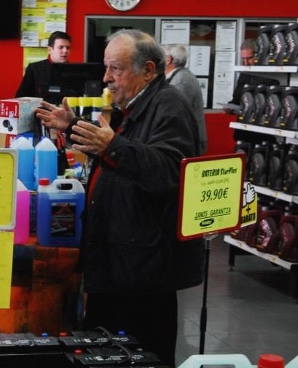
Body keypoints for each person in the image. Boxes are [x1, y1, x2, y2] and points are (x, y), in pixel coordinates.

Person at [36, 29, 204, 367]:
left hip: (143, 274)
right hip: (122, 263)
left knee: (143, 355)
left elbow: (170, 171)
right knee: (109, 353)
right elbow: (125, 156)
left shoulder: (168, 106)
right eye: (106, 68)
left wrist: (112, 145)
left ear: (148, 70)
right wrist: (72, 128)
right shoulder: (137, 106)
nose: (106, 78)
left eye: (115, 69)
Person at [163, 43, 208, 154]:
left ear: (168, 60)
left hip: (187, 142)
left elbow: (173, 113)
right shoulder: (180, 76)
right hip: (183, 140)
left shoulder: (181, 80)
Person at [15, 30, 71, 100]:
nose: (65, 51)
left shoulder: (75, 71)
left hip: (67, 110)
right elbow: (21, 98)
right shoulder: (34, 69)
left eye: (68, 48)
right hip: (40, 109)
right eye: (61, 47)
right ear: (50, 50)